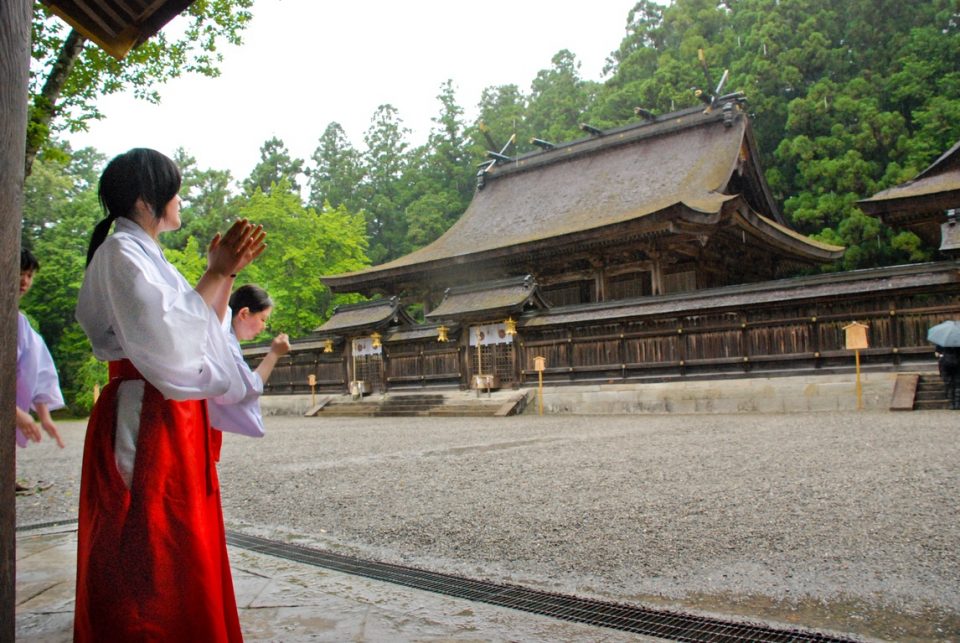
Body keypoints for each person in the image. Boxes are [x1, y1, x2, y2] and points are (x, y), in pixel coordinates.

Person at [73, 148, 266, 642]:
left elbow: (201, 327)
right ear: (146, 199)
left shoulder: (144, 254)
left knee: (182, 540)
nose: (179, 199)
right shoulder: (120, 254)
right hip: (145, 417)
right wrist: (217, 272)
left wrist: (225, 272)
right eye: (173, 190)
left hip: (172, 417)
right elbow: (171, 338)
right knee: (147, 545)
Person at [208, 284, 290, 440]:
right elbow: (250, 388)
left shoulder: (226, 338)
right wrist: (274, 354)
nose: (264, 326)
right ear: (244, 314)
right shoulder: (226, 343)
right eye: (262, 319)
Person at [16, 248, 66, 493]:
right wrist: (14, 412)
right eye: (20, 273)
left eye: (29, 275)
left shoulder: (20, 323)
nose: (25, 281)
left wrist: (44, 416)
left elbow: (37, 366)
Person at [935, 344, 960, 410]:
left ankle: (951, 404)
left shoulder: (941, 342)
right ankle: (958, 403)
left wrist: (941, 355)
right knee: (958, 384)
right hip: (958, 363)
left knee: (949, 384)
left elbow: (937, 354)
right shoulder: (958, 340)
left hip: (945, 364)